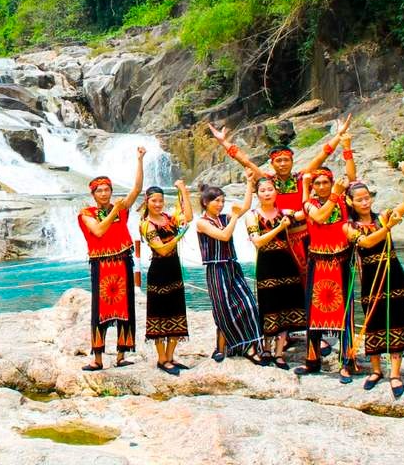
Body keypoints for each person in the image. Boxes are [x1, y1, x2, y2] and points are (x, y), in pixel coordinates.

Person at [208, 117, 351, 280]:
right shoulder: (268, 182)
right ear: (272, 163)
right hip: (279, 239)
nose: (282, 164)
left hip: (307, 238)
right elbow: (245, 161)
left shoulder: (301, 178)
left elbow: (321, 156)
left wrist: (339, 135)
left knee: (311, 280)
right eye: (278, 160)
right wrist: (223, 142)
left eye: (286, 160)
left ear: (292, 161)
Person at [345, 160, 404, 398]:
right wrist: (387, 229)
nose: (365, 202)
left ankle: (395, 373)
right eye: (360, 199)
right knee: (373, 319)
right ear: (351, 202)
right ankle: (376, 370)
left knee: (396, 318)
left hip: (392, 273)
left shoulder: (382, 215)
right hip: (370, 276)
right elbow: (365, 242)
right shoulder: (348, 226)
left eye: (367, 198)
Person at [77, 147, 146, 371]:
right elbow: (98, 232)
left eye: (107, 190)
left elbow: (136, 189)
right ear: (93, 195)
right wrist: (115, 211)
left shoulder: (121, 208)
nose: (104, 194)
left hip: (123, 261)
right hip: (101, 265)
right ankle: (97, 358)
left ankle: (121, 355)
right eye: (100, 191)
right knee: (100, 310)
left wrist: (139, 160)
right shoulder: (86, 213)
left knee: (125, 308)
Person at [299, 152, 356, 380]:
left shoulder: (344, 201)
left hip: (341, 262)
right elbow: (321, 218)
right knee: (314, 312)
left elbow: (352, 178)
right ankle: (312, 360)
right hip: (319, 262)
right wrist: (334, 195)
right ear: (313, 186)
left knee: (345, 313)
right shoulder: (309, 204)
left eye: (326, 182)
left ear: (331, 183)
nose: (322, 186)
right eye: (318, 183)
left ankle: (347, 362)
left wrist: (347, 148)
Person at [196, 175, 264, 364]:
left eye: (222, 201)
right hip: (216, 269)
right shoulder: (202, 222)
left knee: (248, 303)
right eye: (217, 201)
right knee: (223, 309)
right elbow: (224, 236)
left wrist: (250, 183)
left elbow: (244, 208)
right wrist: (234, 217)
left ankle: (249, 345)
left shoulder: (224, 218)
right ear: (205, 202)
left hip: (232, 266)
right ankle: (223, 347)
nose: (220, 205)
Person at [243, 175, 307, 368]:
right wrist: (280, 226)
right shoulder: (252, 215)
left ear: (276, 191)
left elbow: (306, 212)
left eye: (270, 189)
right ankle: (266, 349)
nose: (267, 193)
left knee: (286, 307)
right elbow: (258, 242)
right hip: (267, 265)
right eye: (262, 190)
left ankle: (279, 354)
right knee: (269, 307)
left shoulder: (285, 212)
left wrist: (305, 185)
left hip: (286, 264)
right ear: (257, 194)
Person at [140, 180, 193, 375]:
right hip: (159, 272)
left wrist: (182, 190)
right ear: (147, 201)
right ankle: (162, 359)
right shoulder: (147, 224)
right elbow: (161, 250)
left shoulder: (168, 218)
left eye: (160, 201)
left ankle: (170, 356)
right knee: (159, 315)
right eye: (154, 201)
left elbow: (188, 216)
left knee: (175, 311)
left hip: (174, 270)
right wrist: (179, 236)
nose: (158, 204)